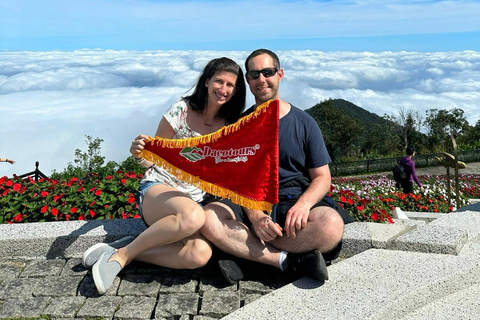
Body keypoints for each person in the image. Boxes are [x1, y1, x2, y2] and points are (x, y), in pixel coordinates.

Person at [82, 57, 246, 294]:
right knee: (193, 216)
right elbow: (153, 157)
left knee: (199, 254)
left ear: (236, 89)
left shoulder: (229, 125)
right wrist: (138, 154)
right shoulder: (181, 110)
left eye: (230, 85)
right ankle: (120, 257)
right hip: (158, 190)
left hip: (192, 202)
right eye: (219, 81)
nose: (223, 89)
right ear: (207, 81)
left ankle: (130, 249)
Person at [200, 49, 350, 284]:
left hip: (292, 200)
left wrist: (303, 206)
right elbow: (236, 181)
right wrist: (256, 216)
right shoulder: (239, 126)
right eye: (254, 74)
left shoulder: (304, 123)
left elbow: (322, 177)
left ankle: (244, 253)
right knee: (208, 217)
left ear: (280, 74)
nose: (261, 79)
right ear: (248, 80)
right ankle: (288, 261)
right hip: (249, 200)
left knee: (330, 226)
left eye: (267, 72)